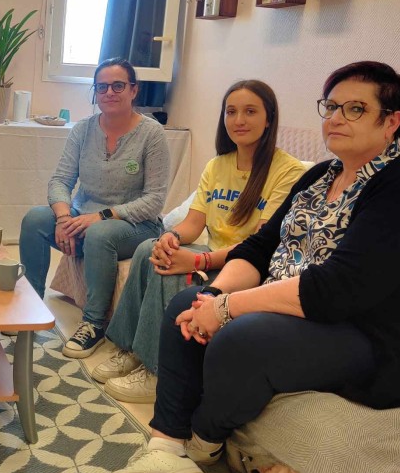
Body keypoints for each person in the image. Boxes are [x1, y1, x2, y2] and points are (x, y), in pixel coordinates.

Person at [103, 61, 400, 473]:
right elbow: (259, 248)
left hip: (369, 333)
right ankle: (165, 447)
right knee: (186, 303)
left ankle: (203, 443)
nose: (336, 118)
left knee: (241, 336)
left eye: (356, 109)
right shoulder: (320, 176)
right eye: (331, 107)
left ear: (391, 121)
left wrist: (228, 308)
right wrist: (213, 296)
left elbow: (336, 290)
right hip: (297, 306)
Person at [93, 80, 306, 404]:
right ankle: (129, 350)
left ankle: (158, 371)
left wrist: (197, 261)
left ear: (269, 119)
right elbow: (193, 224)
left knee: (172, 273)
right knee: (148, 249)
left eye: (250, 112)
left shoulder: (287, 171)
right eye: (231, 112)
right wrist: (171, 238)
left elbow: (261, 245)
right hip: (211, 252)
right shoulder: (217, 165)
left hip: (245, 268)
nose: (239, 120)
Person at [19, 58, 170, 358]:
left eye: (118, 86)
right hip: (83, 215)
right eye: (102, 87)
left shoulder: (152, 134)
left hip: (136, 224)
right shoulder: (83, 130)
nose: (109, 92)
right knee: (35, 219)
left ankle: (94, 324)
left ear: (134, 90)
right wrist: (63, 218)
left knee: (99, 234)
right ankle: (31, 305)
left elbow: (154, 200)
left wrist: (100, 217)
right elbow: (60, 180)